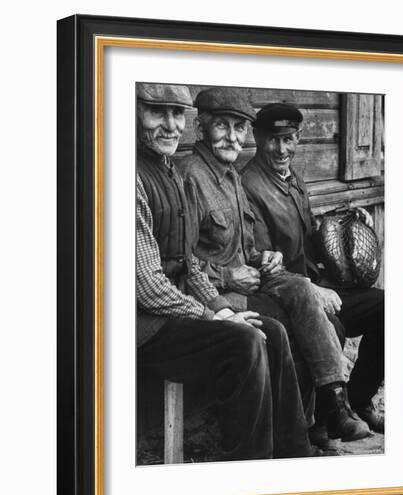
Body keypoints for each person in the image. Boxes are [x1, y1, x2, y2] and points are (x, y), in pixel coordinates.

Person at [179, 87, 371, 444]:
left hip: (251, 280)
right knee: (305, 324)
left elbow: (247, 246)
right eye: (222, 126)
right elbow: (181, 262)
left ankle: (333, 405)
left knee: (301, 290)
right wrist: (226, 275)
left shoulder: (232, 177)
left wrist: (265, 257)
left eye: (238, 128)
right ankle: (302, 433)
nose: (232, 136)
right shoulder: (191, 177)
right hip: (219, 295)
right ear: (200, 129)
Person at [136, 82, 313, 461]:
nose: (169, 125)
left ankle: (294, 457)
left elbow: (189, 264)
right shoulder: (133, 177)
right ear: (135, 113)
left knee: (271, 331)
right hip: (141, 326)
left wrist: (225, 309)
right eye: (157, 112)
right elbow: (148, 287)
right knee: (244, 341)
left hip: (174, 312)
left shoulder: (169, 172)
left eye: (176, 114)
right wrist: (214, 314)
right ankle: (248, 468)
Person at [240, 102, 384, 434]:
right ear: (257, 137)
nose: (281, 148)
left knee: (388, 308)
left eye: (288, 139)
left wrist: (347, 220)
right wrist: (314, 290)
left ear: (298, 138)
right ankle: (325, 421)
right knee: (332, 326)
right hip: (287, 297)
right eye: (273, 140)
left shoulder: (293, 179)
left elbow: (308, 237)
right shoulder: (249, 186)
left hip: (319, 285)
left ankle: (359, 401)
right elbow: (261, 259)